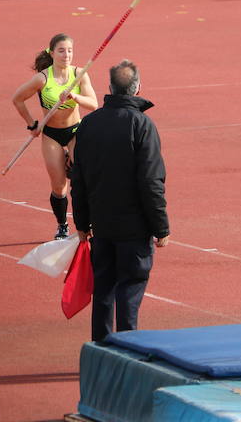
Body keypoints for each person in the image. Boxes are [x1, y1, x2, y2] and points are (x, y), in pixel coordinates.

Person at [70, 60, 170, 342]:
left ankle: (101, 348)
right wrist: (161, 227)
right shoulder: (142, 124)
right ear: (137, 88)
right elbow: (151, 181)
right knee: (131, 287)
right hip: (134, 226)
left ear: (110, 88)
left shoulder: (88, 123)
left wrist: (80, 221)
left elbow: (78, 178)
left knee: (104, 288)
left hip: (102, 223)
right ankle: (129, 347)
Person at [11, 34, 98, 240]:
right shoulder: (43, 78)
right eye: (61, 50)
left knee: (82, 178)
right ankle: (62, 224)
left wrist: (74, 96)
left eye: (69, 50)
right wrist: (32, 124)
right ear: (52, 53)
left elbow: (93, 104)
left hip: (75, 132)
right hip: (52, 135)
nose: (66, 54)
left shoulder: (79, 74)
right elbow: (18, 99)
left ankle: (87, 223)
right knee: (59, 186)